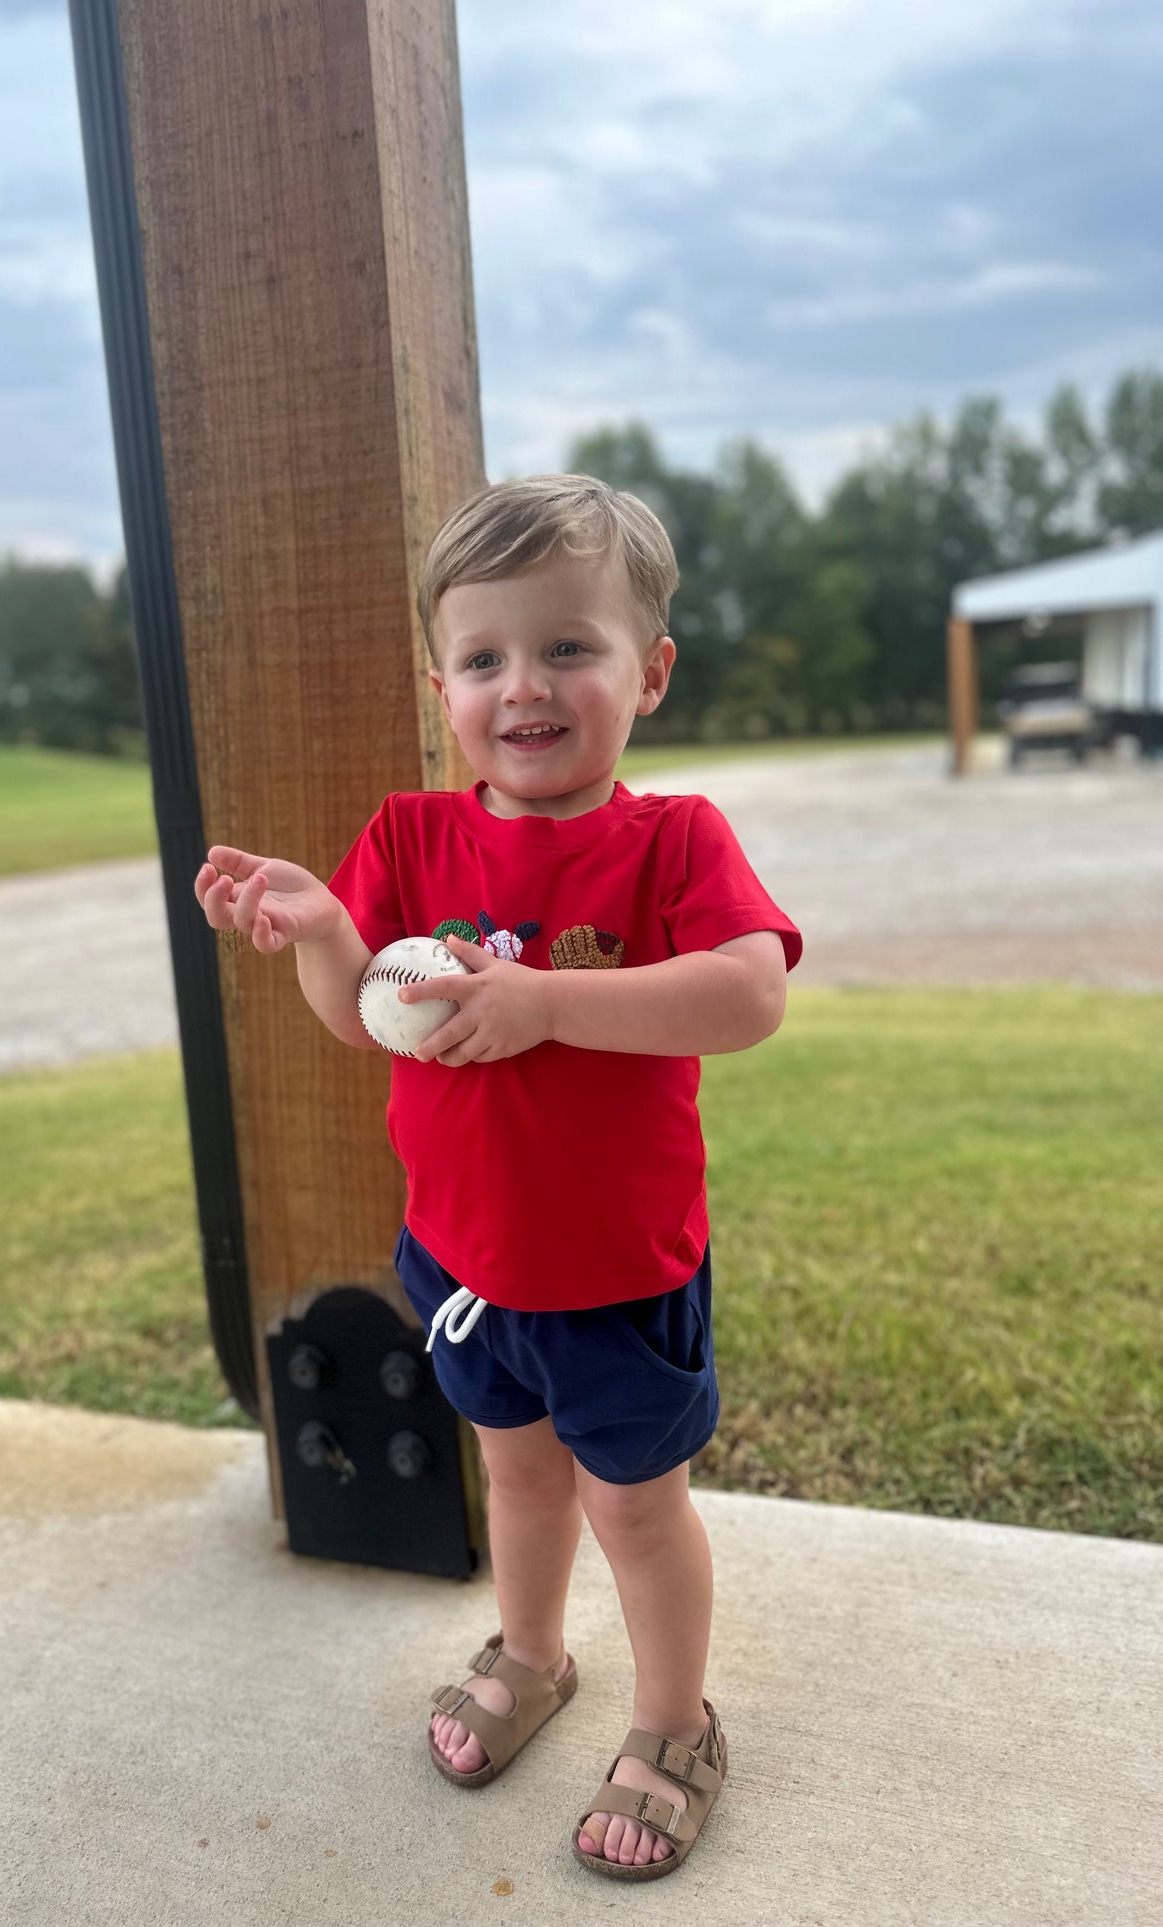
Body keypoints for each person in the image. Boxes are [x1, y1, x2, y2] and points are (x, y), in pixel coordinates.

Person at [193, 474, 801, 1882]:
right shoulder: (410, 841)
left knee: (632, 1505)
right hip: (464, 1263)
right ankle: (531, 1655)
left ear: (645, 673)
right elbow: (366, 1018)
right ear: (442, 684)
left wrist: (545, 1005)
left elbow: (746, 992)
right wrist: (323, 929)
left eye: (566, 648)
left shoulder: (671, 843)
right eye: (483, 659)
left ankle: (673, 1722)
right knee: (517, 1481)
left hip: (616, 1271)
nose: (522, 686)